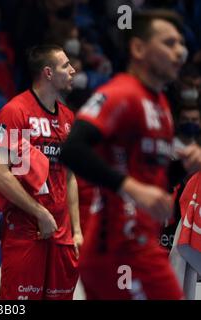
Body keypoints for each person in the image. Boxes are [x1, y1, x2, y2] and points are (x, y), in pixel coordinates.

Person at [60, 10, 201, 300]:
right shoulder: (121, 93)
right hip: (115, 247)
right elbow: (72, 149)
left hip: (142, 243)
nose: (180, 52)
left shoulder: (161, 103)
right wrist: (131, 188)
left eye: (181, 44)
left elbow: (152, 177)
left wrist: (184, 163)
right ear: (138, 48)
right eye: (169, 43)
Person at [0, 45, 82, 300]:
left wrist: (77, 230)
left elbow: (70, 175)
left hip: (62, 233)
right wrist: (40, 213)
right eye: (66, 66)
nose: (73, 71)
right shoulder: (15, 111)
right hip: (25, 228)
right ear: (48, 73)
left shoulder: (68, 118)